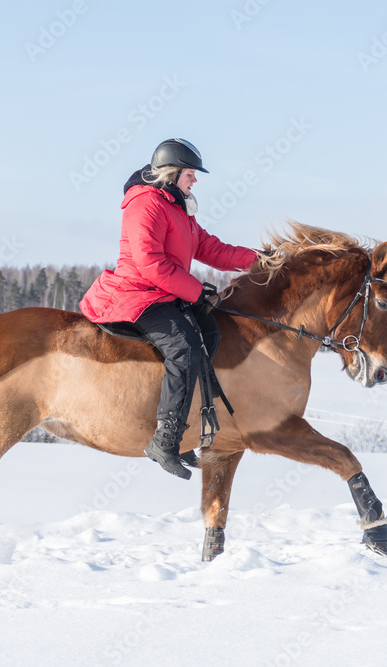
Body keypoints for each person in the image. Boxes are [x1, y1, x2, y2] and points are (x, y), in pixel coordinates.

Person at [79, 138, 259, 480]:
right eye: (190, 174)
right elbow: (150, 263)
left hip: (162, 292)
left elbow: (208, 247)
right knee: (185, 347)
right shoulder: (145, 204)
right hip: (136, 294)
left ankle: (186, 429)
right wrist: (195, 292)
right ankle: (165, 439)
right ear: (172, 173)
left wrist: (257, 259)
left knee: (208, 333)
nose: (195, 180)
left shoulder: (179, 204)